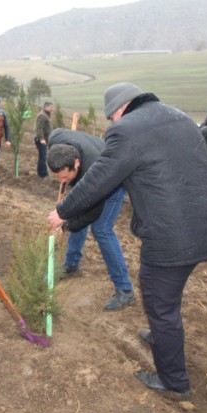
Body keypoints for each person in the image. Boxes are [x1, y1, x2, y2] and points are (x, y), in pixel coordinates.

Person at [47, 82, 207, 399]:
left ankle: (174, 382)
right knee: (166, 299)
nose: (114, 124)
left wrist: (63, 212)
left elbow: (100, 178)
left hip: (173, 236)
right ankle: (161, 335)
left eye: (112, 119)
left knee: (160, 304)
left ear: (118, 111)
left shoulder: (126, 129)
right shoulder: (178, 116)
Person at [47, 128, 134, 310]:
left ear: (76, 163)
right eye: (58, 177)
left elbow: (92, 212)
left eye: (65, 177)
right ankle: (71, 265)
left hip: (114, 180)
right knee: (73, 211)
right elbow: (55, 133)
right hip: (94, 167)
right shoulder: (56, 141)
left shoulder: (94, 173)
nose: (62, 182)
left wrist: (65, 226)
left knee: (101, 229)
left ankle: (125, 290)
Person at [34, 102, 53, 178]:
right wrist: (42, 139)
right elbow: (39, 128)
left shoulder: (46, 115)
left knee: (42, 157)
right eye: (51, 107)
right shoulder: (42, 115)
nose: (52, 109)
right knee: (43, 157)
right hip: (42, 140)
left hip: (45, 139)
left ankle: (40, 173)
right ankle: (43, 174)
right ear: (46, 107)